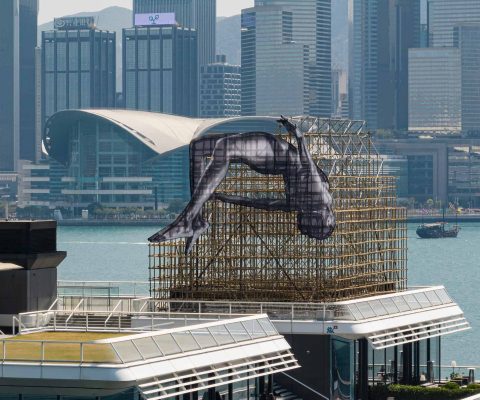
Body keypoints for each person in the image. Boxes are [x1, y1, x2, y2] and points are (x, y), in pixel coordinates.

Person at [149, 116, 335, 253]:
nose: (302, 223)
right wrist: (297, 134)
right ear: (320, 217)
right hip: (279, 152)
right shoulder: (319, 195)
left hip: (275, 161)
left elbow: (263, 203)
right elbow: (307, 162)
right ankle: (192, 220)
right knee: (200, 147)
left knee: (222, 147)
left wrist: (226, 197)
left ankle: (193, 221)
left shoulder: (303, 206)